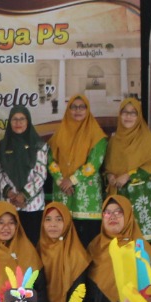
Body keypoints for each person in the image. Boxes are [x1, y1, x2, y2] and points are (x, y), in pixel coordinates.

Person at [104, 96, 151, 240]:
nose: (128, 116)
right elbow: (107, 166)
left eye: (133, 113)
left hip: (142, 197)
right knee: (122, 242)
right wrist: (109, 176)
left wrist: (128, 175)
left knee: (145, 244)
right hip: (120, 198)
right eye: (125, 112)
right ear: (120, 115)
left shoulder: (147, 139)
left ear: (139, 116)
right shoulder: (114, 141)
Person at [47, 95, 108, 246]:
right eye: (74, 107)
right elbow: (50, 160)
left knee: (88, 244)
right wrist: (62, 181)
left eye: (82, 107)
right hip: (63, 195)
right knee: (64, 243)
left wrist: (72, 180)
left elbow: (94, 163)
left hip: (87, 199)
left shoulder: (97, 135)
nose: (78, 110)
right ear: (68, 110)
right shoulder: (59, 135)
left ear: (88, 110)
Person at [0, 105, 49, 242]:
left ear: (28, 121)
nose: (18, 123)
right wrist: (10, 193)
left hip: (33, 206)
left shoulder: (39, 145)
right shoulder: (2, 146)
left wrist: (24, 195)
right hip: (8, 203)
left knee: (31, 246)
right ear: (10, 122)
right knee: (9, 245)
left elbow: (41, 174)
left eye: (22, 119)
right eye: (14, 119)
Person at [37, 202, 90, 302]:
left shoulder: (77, 254)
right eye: (48, 219)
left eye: (59, 219)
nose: (53, 225)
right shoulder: (37, 251)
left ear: (67, 222)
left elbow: (78, 298)